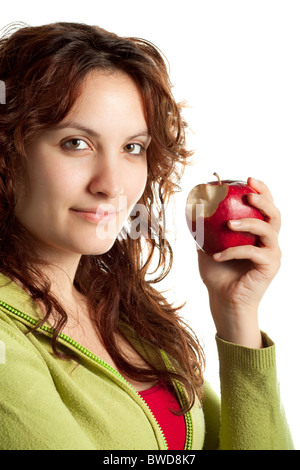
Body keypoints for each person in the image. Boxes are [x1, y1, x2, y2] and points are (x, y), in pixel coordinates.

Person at [0, 21, 294, 450]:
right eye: (76, 143)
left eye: (132, 148)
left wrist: (237, 314)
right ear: (9, 149)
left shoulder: (121, 313)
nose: (113, 184)